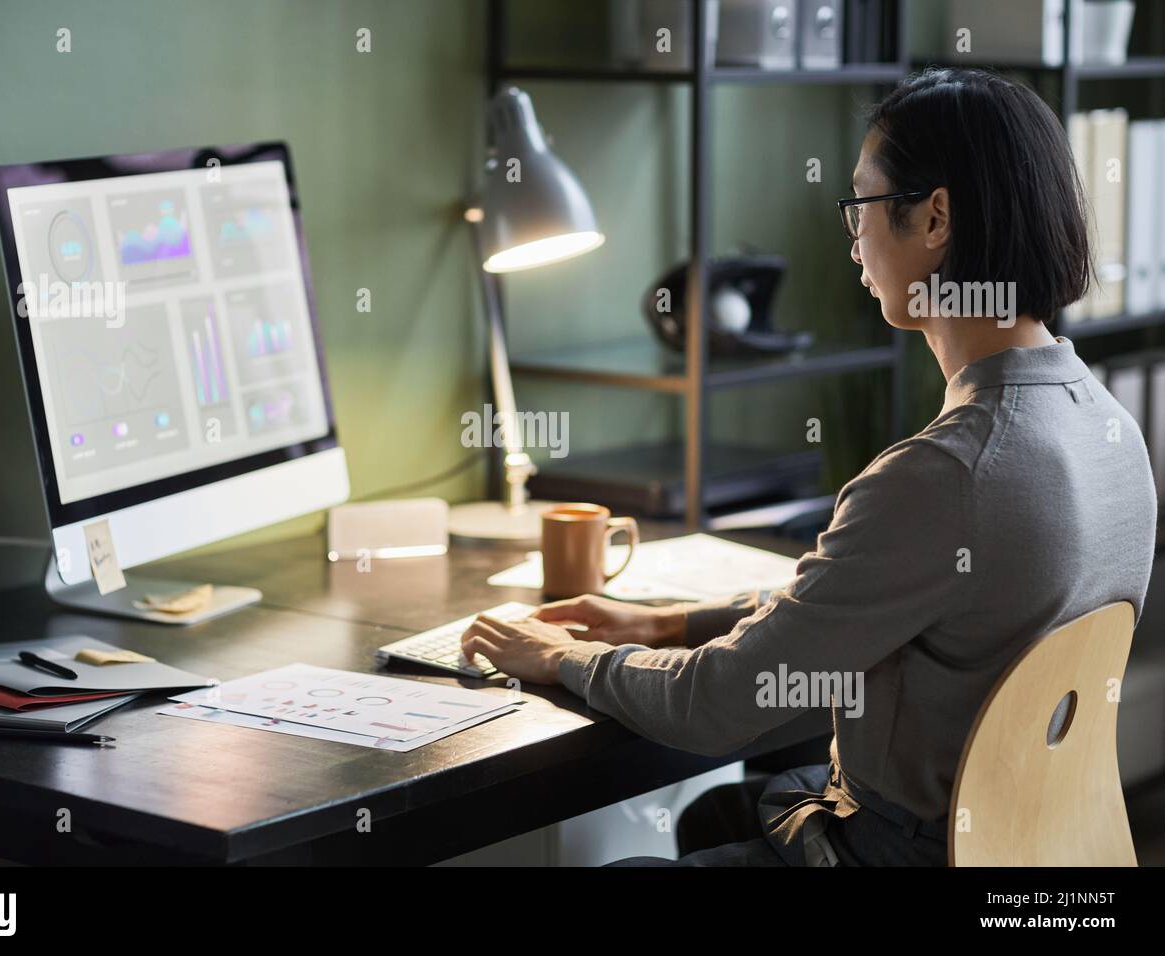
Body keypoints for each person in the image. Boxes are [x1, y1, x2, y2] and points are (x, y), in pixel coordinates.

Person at [460, 67, 1158, 866]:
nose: (852, 234)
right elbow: (879, 599)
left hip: (904, 852)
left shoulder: (947, 473)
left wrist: (563, 657)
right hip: (1040, 852)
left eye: (860, 204)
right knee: (719, 815)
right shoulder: (1108, 427)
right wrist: (666, 621)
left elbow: (719, 705)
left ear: (935, 218)